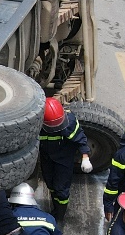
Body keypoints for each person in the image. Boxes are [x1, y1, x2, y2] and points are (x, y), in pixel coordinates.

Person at [37, 98, 91, 228]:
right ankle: (55, 207)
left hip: (63, 160)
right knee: (50, 184)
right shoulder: (37, 124)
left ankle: (60, 216)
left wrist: (85, 157)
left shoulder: (70, 121)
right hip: (47, 158)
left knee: (61, 189)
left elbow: (81, 139)